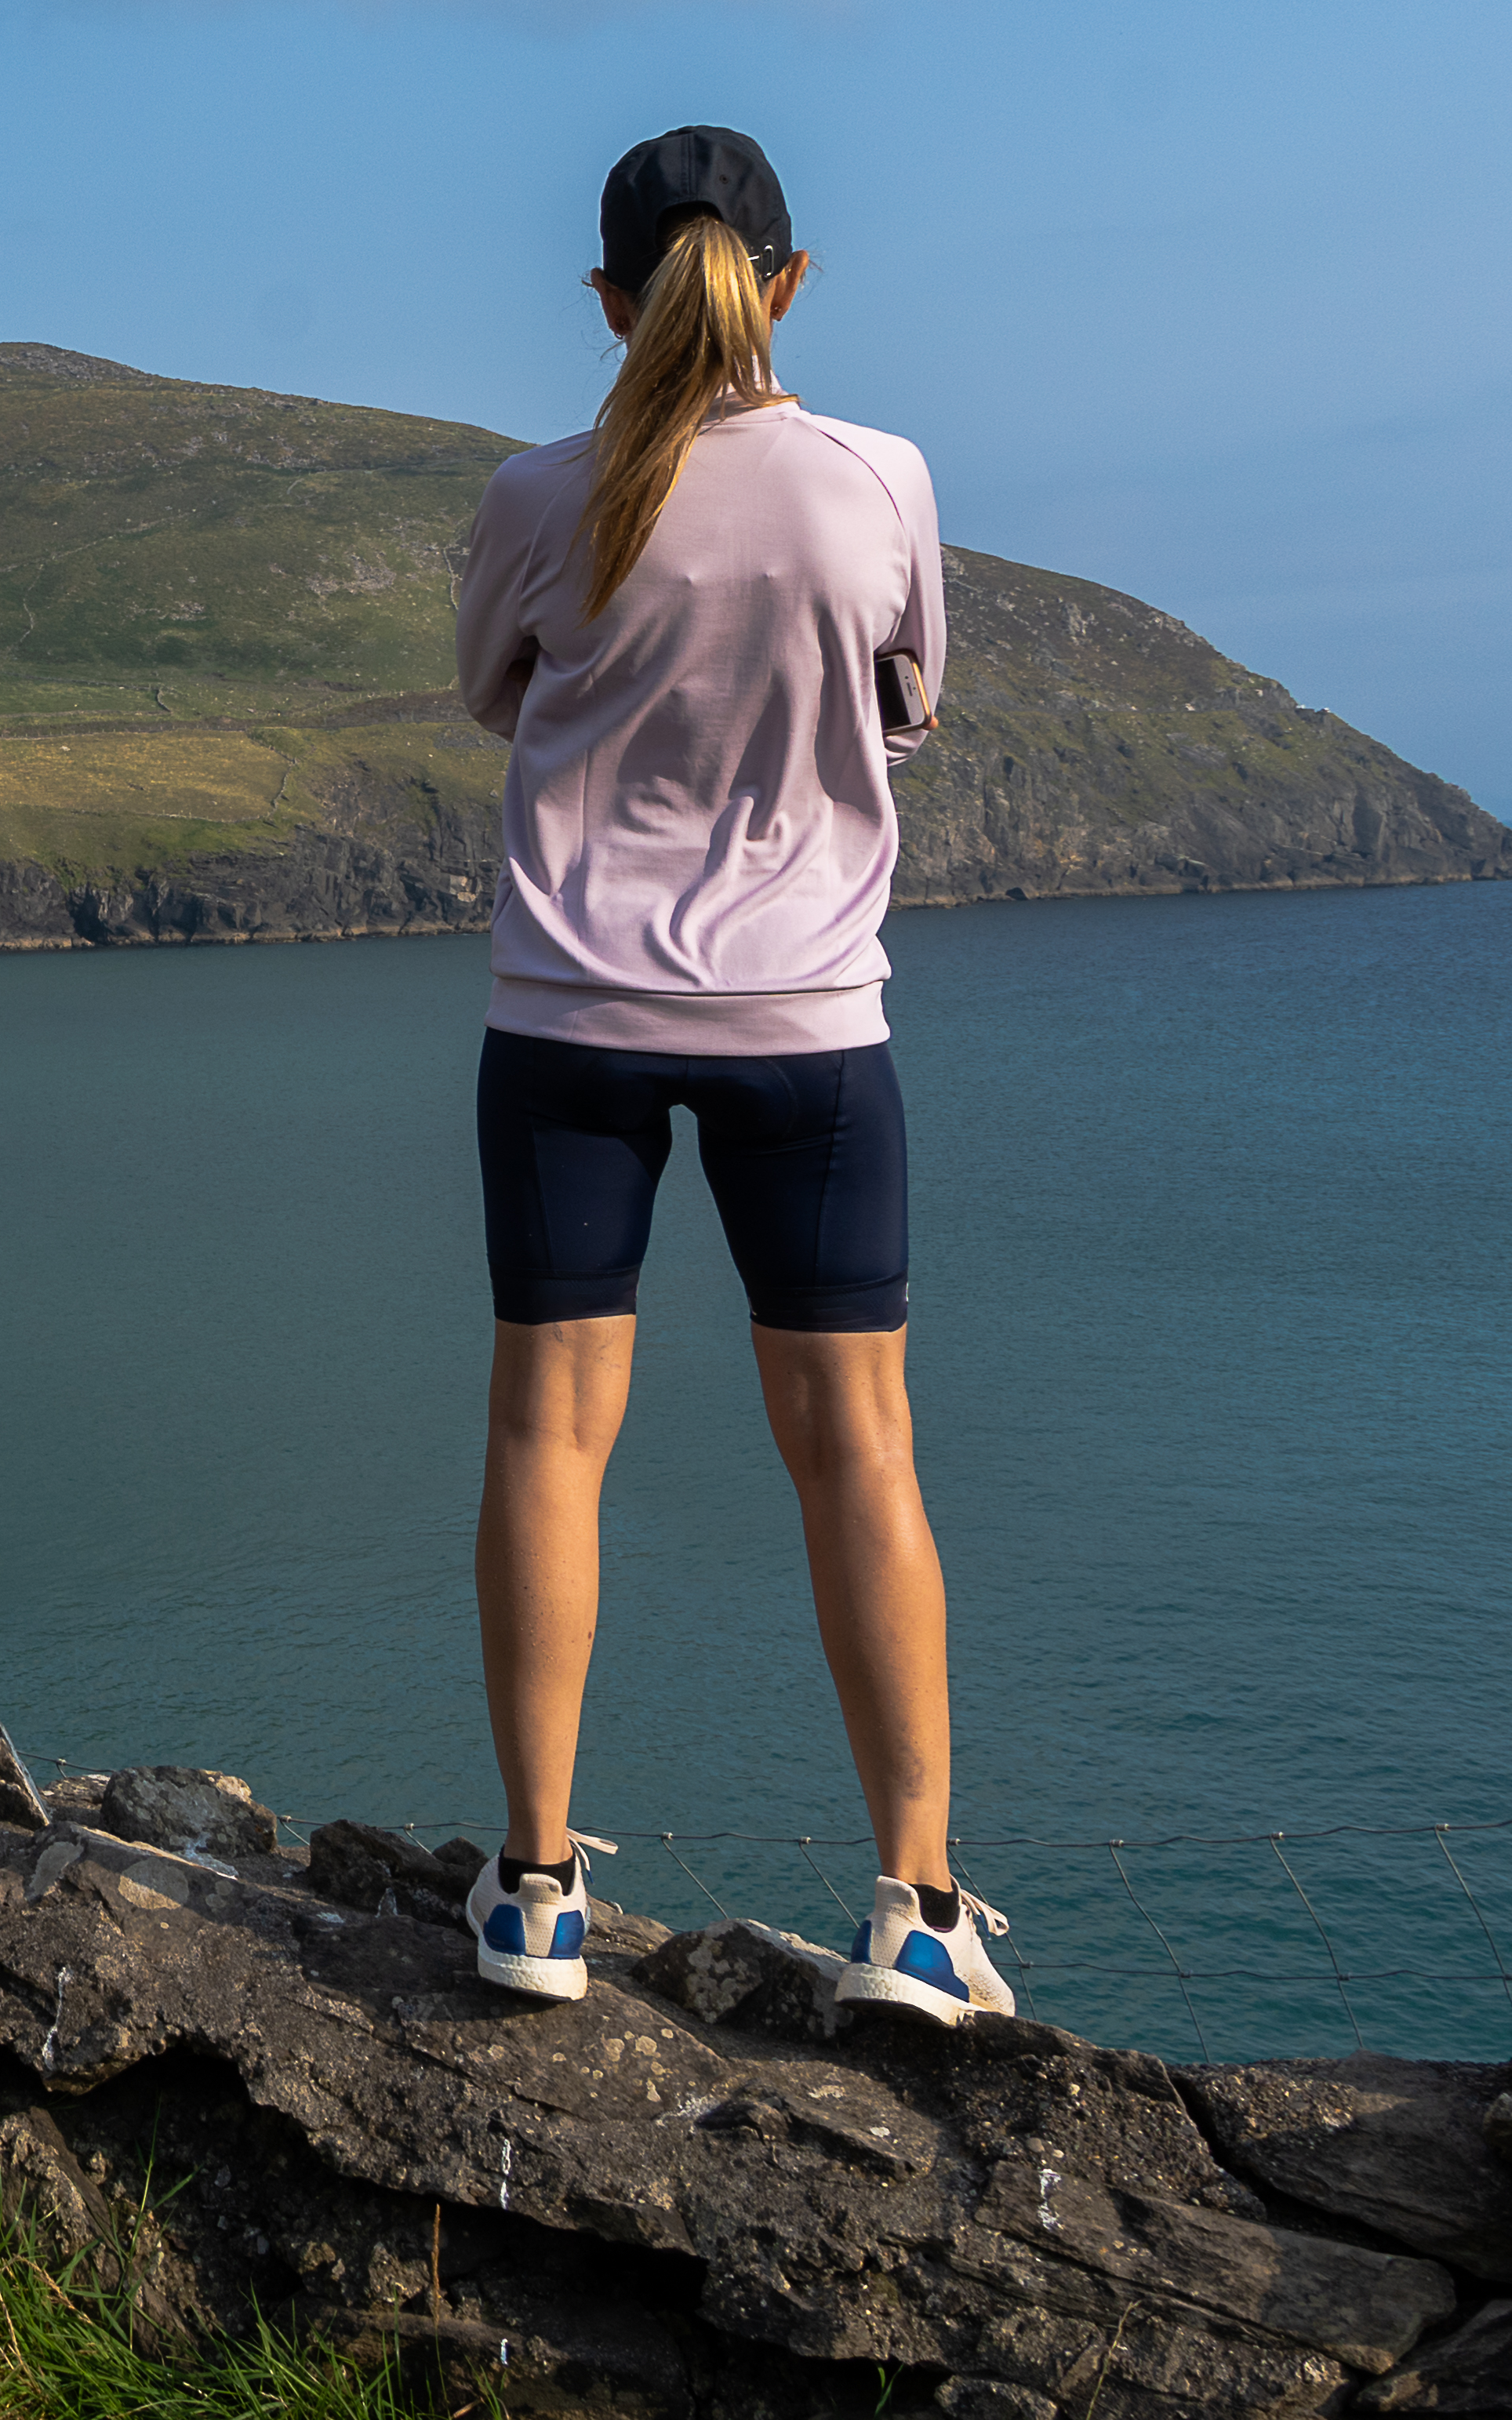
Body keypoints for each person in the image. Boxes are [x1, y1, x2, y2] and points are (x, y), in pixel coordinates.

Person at [445, 125, 1012, 2026]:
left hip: (570, 1021)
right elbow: (910, 701)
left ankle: (534, 1893)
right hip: (809, 1035)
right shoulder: (882, 478)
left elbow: (498, 693)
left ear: (609, 298)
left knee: (550, 1434)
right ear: (787, 280)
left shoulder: (539, 491)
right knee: (858, 1451)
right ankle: (923, 1912)